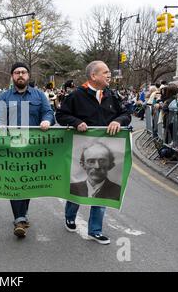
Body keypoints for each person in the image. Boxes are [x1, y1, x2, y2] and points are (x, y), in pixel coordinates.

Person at [56, 60, 131, 245]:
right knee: (79, 185)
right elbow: (61, 115)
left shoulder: (111, 95)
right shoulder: (76, 96)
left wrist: (118, 121)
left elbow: (126, 114)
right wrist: (75, 122)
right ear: (93, 76)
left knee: (102, 189)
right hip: (81, 150)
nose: (109, 75)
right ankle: (70, 216)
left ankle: (95, 230)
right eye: (105, 72)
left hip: (107, 150)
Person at [0, 62, 55, 238]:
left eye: (23, 72)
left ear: (28, 75)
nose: (20, 75)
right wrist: (1, 127)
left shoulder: (39, 95)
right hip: (11, 146)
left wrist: (47, 121)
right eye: (17, 72)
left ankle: (22, 214)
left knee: (27, 181)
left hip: (32, 148)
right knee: (15, 180)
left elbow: (48, 112)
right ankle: (19, 218)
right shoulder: (4, 97)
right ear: (12, 76)